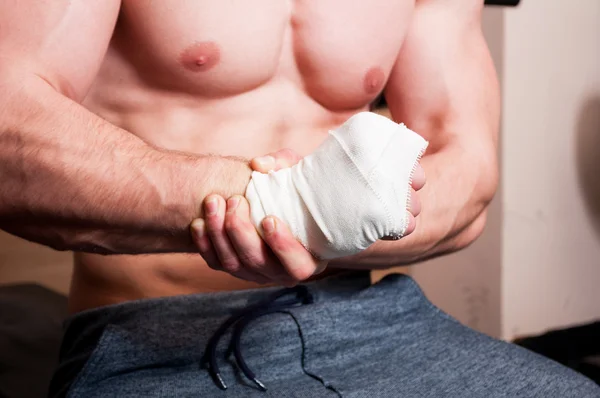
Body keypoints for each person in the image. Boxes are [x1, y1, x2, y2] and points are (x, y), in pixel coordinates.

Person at [0, 1, 597, 396]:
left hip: (373, 320)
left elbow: (468, 171)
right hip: (158, 336)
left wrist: (305, 220)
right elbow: (9, 132)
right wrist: (283, 207)